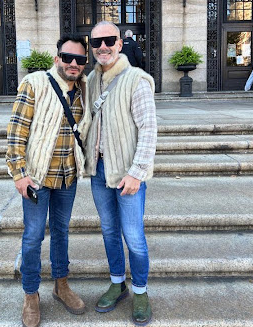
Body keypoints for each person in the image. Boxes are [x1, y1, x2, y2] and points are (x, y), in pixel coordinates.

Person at [6, 35, 91, 327]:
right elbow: (17, 131)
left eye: (80, 59)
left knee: (62, 231)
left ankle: (61, 285)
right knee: (32, 237)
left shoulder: (83, 90)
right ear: (57, 58)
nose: (73, 64)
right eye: (68, 57)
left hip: (68, 175)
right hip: (37, 177)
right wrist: (18, 173)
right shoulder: (35, 83)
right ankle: (31, 294)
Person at [85, 21, 157, 326]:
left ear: (120, 43)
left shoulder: (136, 79)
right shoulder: (90, 81)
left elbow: (149, 130)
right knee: (109, 231)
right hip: (99, 171)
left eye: (109, 40)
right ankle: (118, 283)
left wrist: (138, 172)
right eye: (96, 41)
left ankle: (140, 289)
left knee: (133, 236)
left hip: (128, 173)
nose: (103, 46)